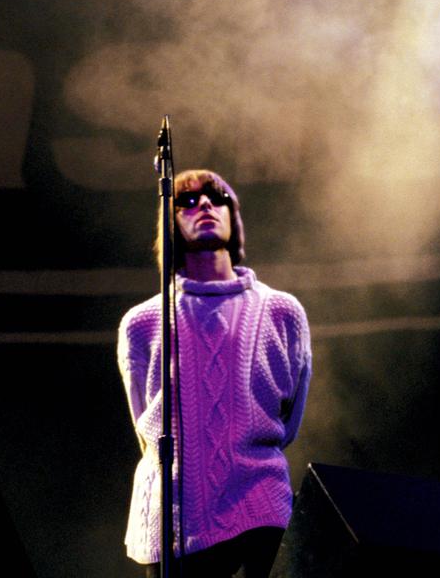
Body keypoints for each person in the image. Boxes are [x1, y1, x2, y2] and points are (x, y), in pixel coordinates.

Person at [118, 169, 311, 578]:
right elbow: (145, 426)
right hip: (174, 520)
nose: (204, 205)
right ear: (170, 223)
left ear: (232, 215)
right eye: (186, 201)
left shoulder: (282, 312)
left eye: (216, 197)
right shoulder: (143, 323)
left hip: (260, 506)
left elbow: (288, 420)